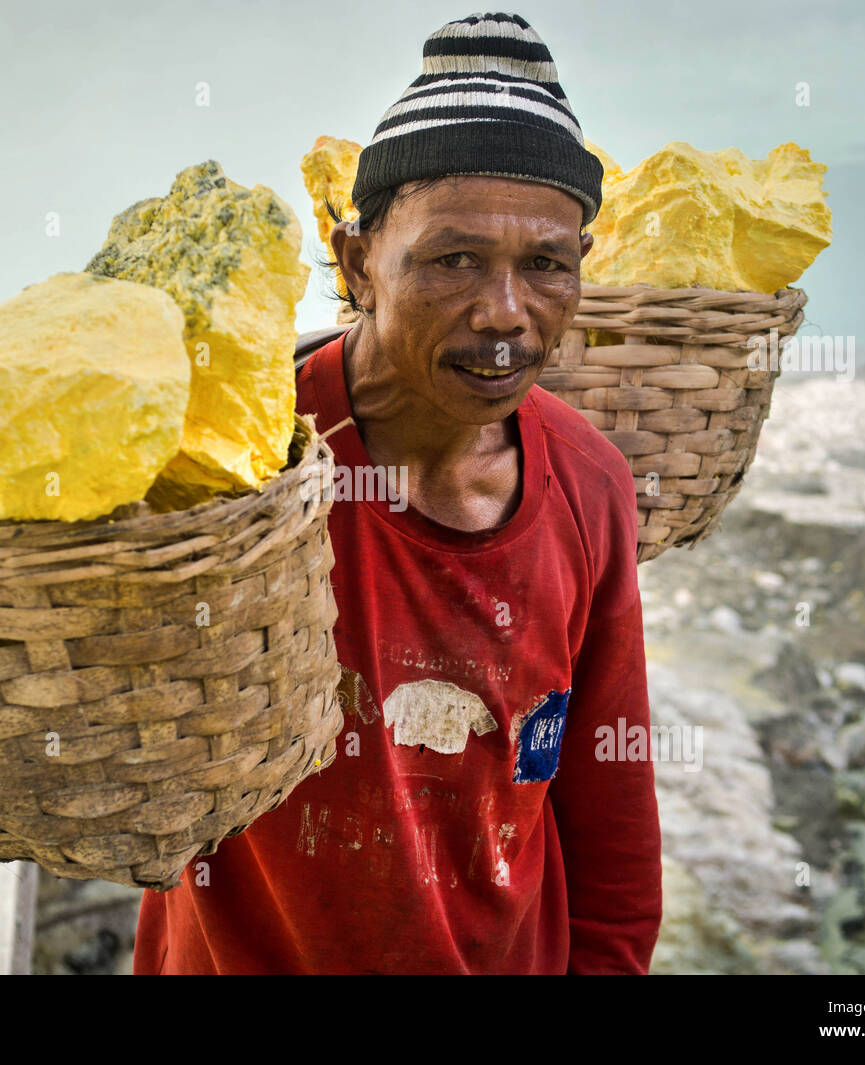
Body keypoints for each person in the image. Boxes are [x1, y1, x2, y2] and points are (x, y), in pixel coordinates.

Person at [134, 10, 662, 975]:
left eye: (546, 263)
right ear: (356, 263)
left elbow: (607, 801)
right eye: (454, 258)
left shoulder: (589, 485)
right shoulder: (236, 457)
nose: (506, 312)